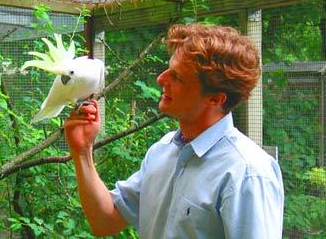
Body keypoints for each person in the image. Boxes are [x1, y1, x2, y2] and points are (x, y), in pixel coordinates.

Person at [64, 24, 284, 238]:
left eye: (177, 77)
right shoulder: (163, 151)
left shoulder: (247, 173)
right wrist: (83, 151)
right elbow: (105, 221)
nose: (161, 79)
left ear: (215, 98)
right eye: (169, 69)